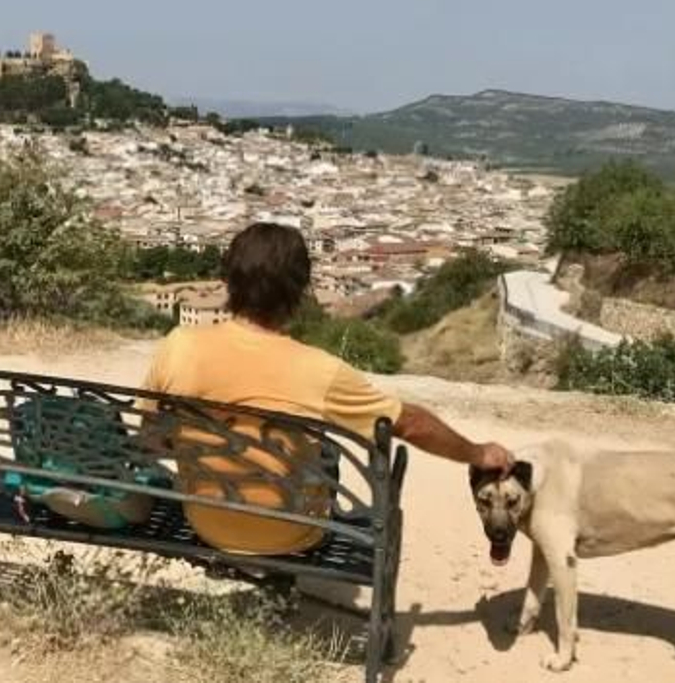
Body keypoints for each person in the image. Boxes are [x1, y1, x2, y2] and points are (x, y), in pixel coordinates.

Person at [142, 222, 513, 565]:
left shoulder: (179, 345)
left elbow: (151, 440)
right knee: (325, 449)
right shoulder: (320, 371)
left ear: (229, 281)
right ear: (300, 291)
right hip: (288, 534)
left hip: (206, 523)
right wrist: (478, 453)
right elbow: (410, 423)